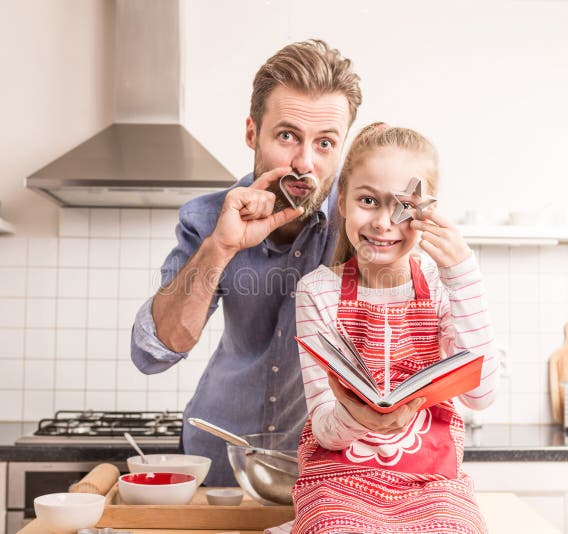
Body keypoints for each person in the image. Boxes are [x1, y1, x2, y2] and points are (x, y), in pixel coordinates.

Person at [130, 39, 362, 486]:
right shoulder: (206, 220)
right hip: (221, 459)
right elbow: (152, 353)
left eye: (325, 143)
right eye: (287, 135)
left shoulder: (358, 224)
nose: (303, 163)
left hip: (321, 472)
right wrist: (220, 248)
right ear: (252, 132)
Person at [291, 123, 500, 533]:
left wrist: (463, 276)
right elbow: (325, 430)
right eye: (368, 200)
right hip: (337, 483)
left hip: (433, 484)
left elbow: (481, 394)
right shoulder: (317, 291)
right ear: (344, 204)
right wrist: (358, 418)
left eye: (404, 206)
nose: (385, 222)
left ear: (428, 212)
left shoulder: (445, 286)